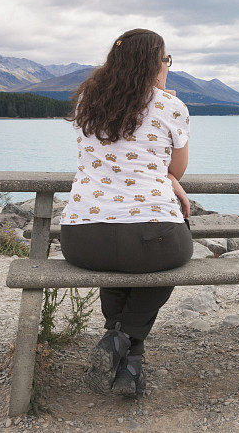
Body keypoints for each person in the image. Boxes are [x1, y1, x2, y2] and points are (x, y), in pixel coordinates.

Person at [59, 28, 193, 398]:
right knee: (167, 259)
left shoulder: (88, 99)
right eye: (166, 60)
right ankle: (121, 339)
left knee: (119, 262)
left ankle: (128, 360)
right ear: (154, 66)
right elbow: (176, 170)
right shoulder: (171, 107)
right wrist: (166, 177)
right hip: (153, 240)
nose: (168, 67)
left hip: (82, 239)